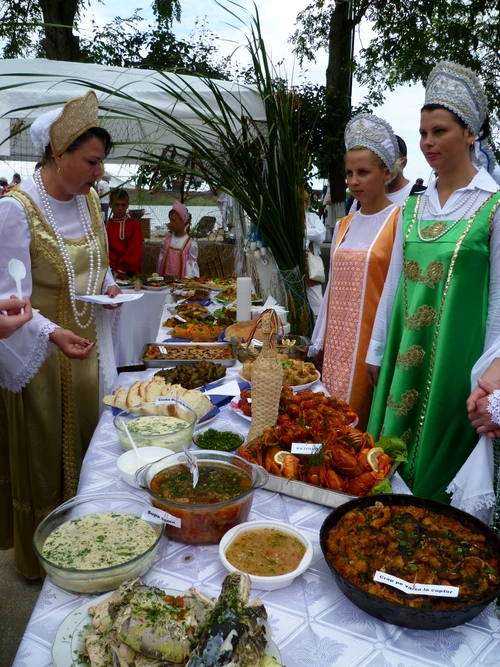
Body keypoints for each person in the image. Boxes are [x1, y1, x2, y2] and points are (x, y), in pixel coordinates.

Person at [366, 61, 500, 504]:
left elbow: (498, 301)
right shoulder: (412, 208)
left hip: (458, 370)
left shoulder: (494, 207)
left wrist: (490, 380)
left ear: (470, 134)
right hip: (402, 363)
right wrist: (377, 352)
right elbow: (391, 289)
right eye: (423, 132)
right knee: (386, 465)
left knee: (437, 488)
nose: (427, 143)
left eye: (439, 131)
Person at [0, 90, 121, 578]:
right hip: (41, 358)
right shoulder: (16, 210)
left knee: (91, 450)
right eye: (91, 162)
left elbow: (99, 266)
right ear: (58, 154)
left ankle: (91, 547)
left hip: (86, 351)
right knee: (47, 453)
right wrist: (54, 334)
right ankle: (43, 561)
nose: (100, 173)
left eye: (101, 163)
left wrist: (111, 287)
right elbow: (11, 296)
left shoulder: (89, 200)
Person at [310, 114, 401, 430]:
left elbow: (394, 291)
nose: (354, 181)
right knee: (328, 417)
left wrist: (379, 351)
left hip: (368, 345)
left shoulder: (399, 221)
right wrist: (318, 340)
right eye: (349, 173)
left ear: (386, 172)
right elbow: (332, 286)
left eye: (363, 172)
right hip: (336, 343)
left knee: (355, 426)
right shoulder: (342, 225)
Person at [157, 200, 199, 278]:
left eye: (174, 220)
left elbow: (191, 269)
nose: (171, 223)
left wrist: (188, 282)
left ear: (183, 221)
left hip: (182, 285)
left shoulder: (190, 244)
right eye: (170, 220)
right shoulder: (166, 241)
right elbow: (160, 264)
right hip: (165, 284)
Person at [106, 188, 143, 277]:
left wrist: (122, 269)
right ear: (110, 205)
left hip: (131, 271)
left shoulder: (135, 225)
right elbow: (105, 250)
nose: (120, 208)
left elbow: (136, 250)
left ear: (128, 205)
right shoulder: (105, 226)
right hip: (110, 271)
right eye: (117, 205)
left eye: (123, 205)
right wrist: (115, 269)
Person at [303, 189, 326, 320]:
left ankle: (318, 334)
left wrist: (304, 232)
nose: (304, 205)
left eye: (305, 202)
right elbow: (316, 233)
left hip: (311, 264)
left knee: (317, 302)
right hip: (294, 263)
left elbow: (321, 234)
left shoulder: (312, 217)